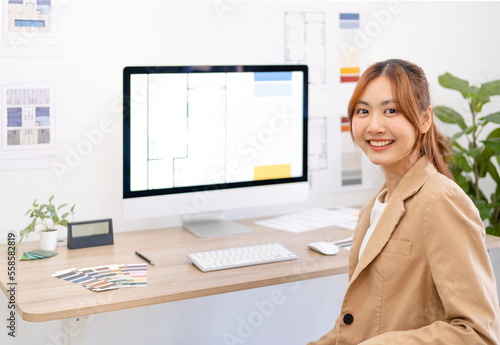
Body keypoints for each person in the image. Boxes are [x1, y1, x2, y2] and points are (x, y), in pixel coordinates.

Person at [308, 59, 500, 344]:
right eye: (363, 111)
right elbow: (360, 321)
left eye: (391, 111)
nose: (374, 126)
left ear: (424, 119)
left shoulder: (441, 200)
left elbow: (478, 334)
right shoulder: (376, 205)